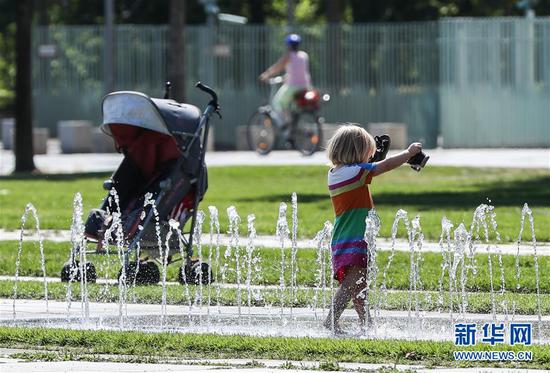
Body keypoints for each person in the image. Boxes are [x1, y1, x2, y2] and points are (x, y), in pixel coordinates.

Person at [324, 124, 423, 332]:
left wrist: (373, 158)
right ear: (357, 152)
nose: (370, 157)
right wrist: (408, 153)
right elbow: (383, 167)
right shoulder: (358, 172)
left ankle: (366, 324)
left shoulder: (336, 173)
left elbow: (369, 168)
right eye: (367, 152)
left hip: (343, 236)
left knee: (359, 284)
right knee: (353, 282)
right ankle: (331, 319)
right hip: (355, 236)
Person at [259, 33, 311, 119]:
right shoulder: (304, 55)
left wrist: (265, 75)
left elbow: (277, 68)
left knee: (277, 102)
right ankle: (292, 122)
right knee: (294, 106)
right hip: (305, 86)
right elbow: (298, 70)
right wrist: (286, 77)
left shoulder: (289, 56)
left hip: (293, 86)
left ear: (288, 45)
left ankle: (286, 123)